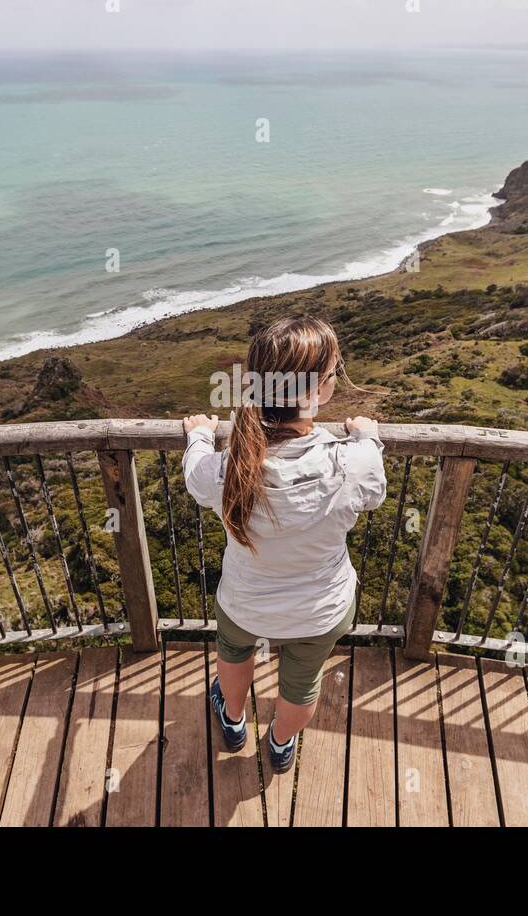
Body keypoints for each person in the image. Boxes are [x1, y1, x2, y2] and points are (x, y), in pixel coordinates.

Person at [182, 315, 386, 772]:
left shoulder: (225, 468)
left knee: (233, 657)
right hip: (321, 609)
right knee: (303, 683)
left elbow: (195, 472)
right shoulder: (352, 464)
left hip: (245, 600)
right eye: (334, 371)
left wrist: (197, 433)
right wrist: (366, 435)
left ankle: (233, 722)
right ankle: (278, 744)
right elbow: (372, 488)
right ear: (318, 391)